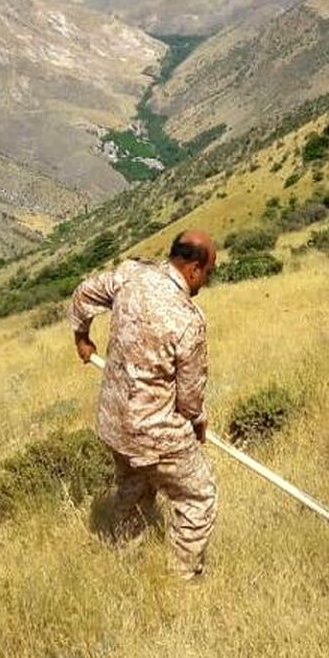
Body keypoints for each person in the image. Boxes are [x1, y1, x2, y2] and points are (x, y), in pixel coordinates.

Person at [69, 229, 218, 579]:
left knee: (134, 489)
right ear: (194, 269)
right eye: (209, 272)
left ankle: (124, 561)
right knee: (199, 497)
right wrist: (198, 422)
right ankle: (182, 579)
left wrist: (82, 336)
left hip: (113, 424)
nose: (206, 281)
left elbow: (83, 294)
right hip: (154, 434)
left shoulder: (130, 276)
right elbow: (189, 397)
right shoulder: (188, 321)